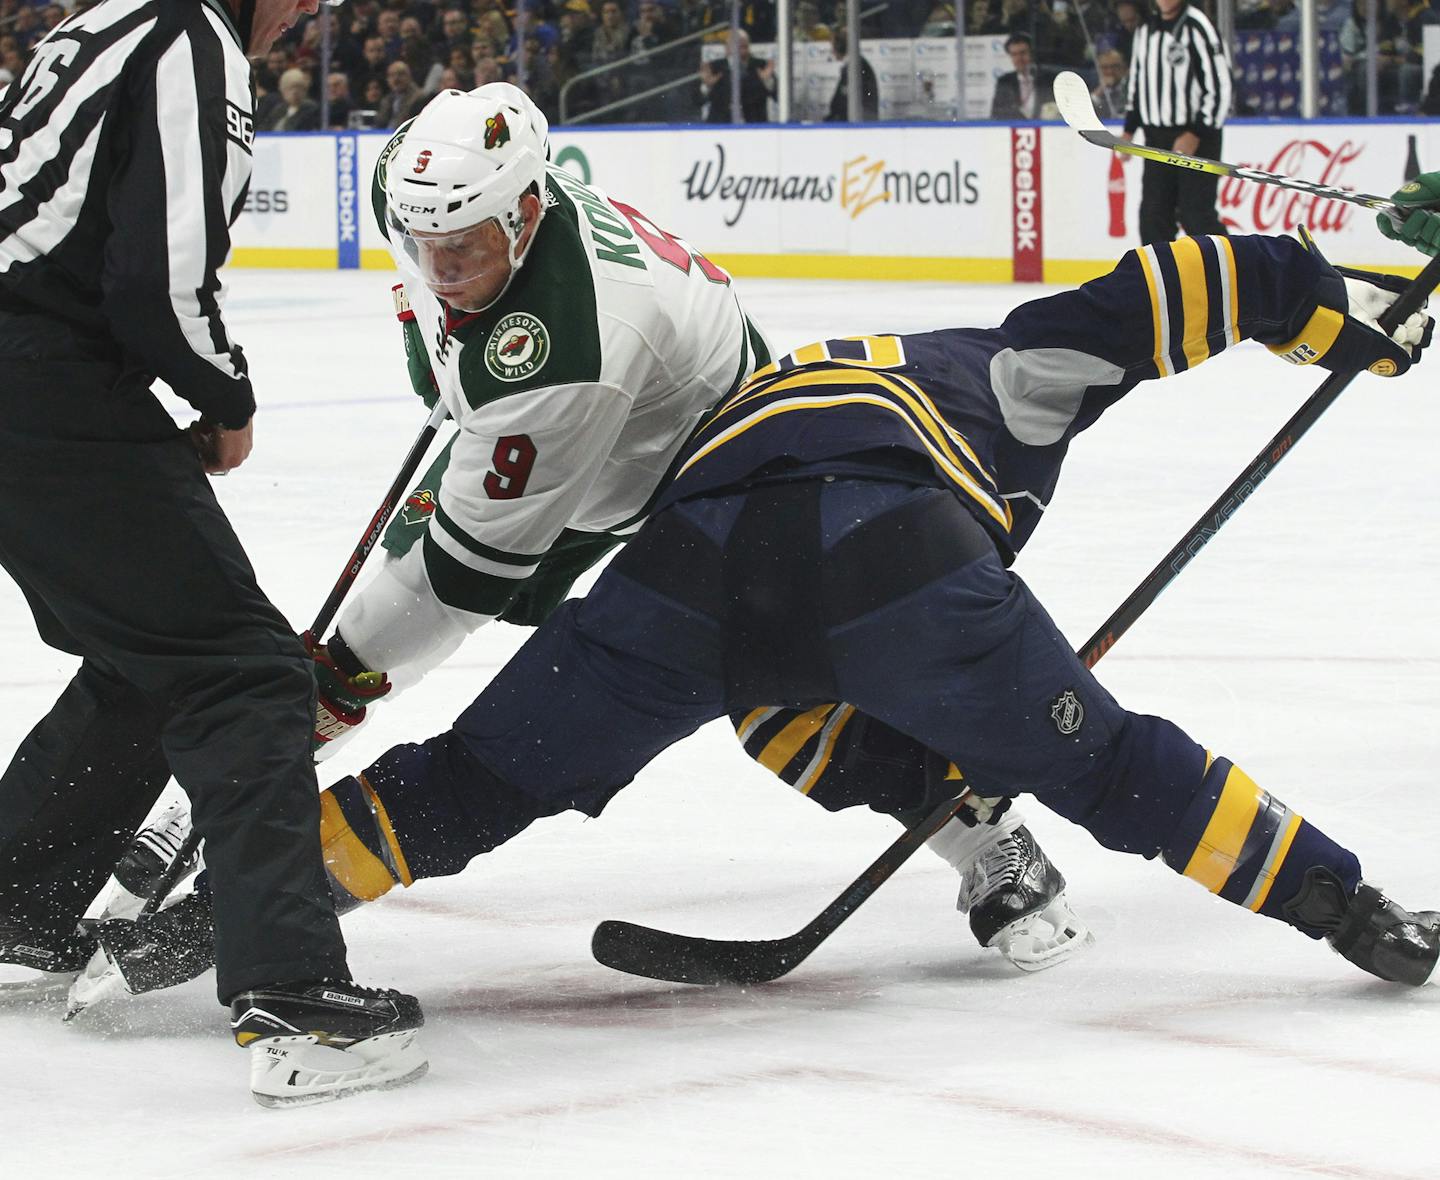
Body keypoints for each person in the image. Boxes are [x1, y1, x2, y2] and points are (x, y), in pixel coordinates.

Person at [268, 224, 1440, 996]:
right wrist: (1331, 315)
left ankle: (242, 909)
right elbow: (1196, 279)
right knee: (1119, 763)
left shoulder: (778, 397)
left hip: (690, 577)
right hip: (898, 557)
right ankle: (1349, 908)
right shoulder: (995, 360)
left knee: (493, 773)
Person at [102, 83, 1092, 994]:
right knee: (370, 646)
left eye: (468, 246)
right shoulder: (440, 189)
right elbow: (445, 323)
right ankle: (226, 802)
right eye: (425, 242)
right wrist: (436, 330)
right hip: (611, 450)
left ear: (528, 210)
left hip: (718, 478)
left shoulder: (567, 352)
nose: (443, 267)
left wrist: (335, 679)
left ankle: (988, 837)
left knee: (778, 705)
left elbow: (455, 583)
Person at [0, 0, 423, 1107]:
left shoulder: (96, 22)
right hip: (36, 372)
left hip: (23, 373)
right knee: (244, 669)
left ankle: (17, 910)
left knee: (150, 650)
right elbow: (159, 274)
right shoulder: (190, 35)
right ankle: (295, 1002)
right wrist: (223, 395)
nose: (314, 15)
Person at [1123, 0, 1232, 244]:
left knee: (1197, 216)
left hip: (1197, 138)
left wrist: (1196, 132)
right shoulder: (1145, 30)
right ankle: (1162, 277)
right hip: (1156, 139)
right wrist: (1130, 129)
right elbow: (1138, 83)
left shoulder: (1197, 26)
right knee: (1153, 216)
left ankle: (1229, 273)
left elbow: (1220, 85)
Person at [700, 28, 775, 122]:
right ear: (726, 48)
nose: (740, 50)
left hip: (754, 127)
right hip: (719, 128)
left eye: (743, 45)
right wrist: (706, 87)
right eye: (735, 45)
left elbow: (779, 97)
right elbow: (697, 101)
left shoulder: (761, 66)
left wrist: (768, 82)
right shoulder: (713, 67)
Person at [990, 33, 1057, 119]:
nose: (1019, 59)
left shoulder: (1048, 80)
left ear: (1032, 53)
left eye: (1023, 53)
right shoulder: (1004, 82)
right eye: (1014, 54)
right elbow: (996, 115)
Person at [825, 29, 879, 122]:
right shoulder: (854, 63)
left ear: (840, 46)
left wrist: (833, 117)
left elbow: (844, 99)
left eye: (833, 47)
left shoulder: (856, 65)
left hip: (860, 120)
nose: (832, 52)